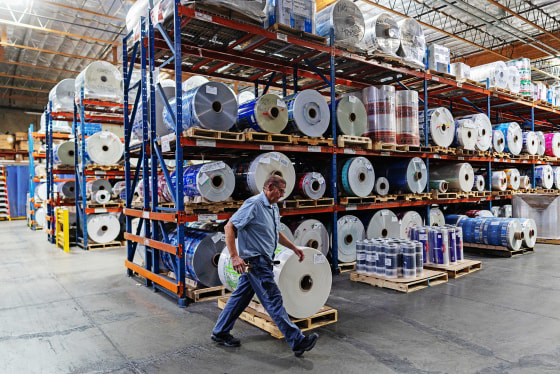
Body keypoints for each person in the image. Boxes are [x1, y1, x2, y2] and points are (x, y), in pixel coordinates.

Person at [211, 175, 319, 357]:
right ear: (270, 186)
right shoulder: (253, 204)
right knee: (273, 299)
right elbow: (229, 227)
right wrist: (234, 256)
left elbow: (275, 232)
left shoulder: (273, 207)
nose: (282, 195)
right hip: (256, 262)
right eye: (281, 191)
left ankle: (220, 332)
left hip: (262, 262)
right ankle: (297, 341)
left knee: (240, 298)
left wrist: (294, 248)